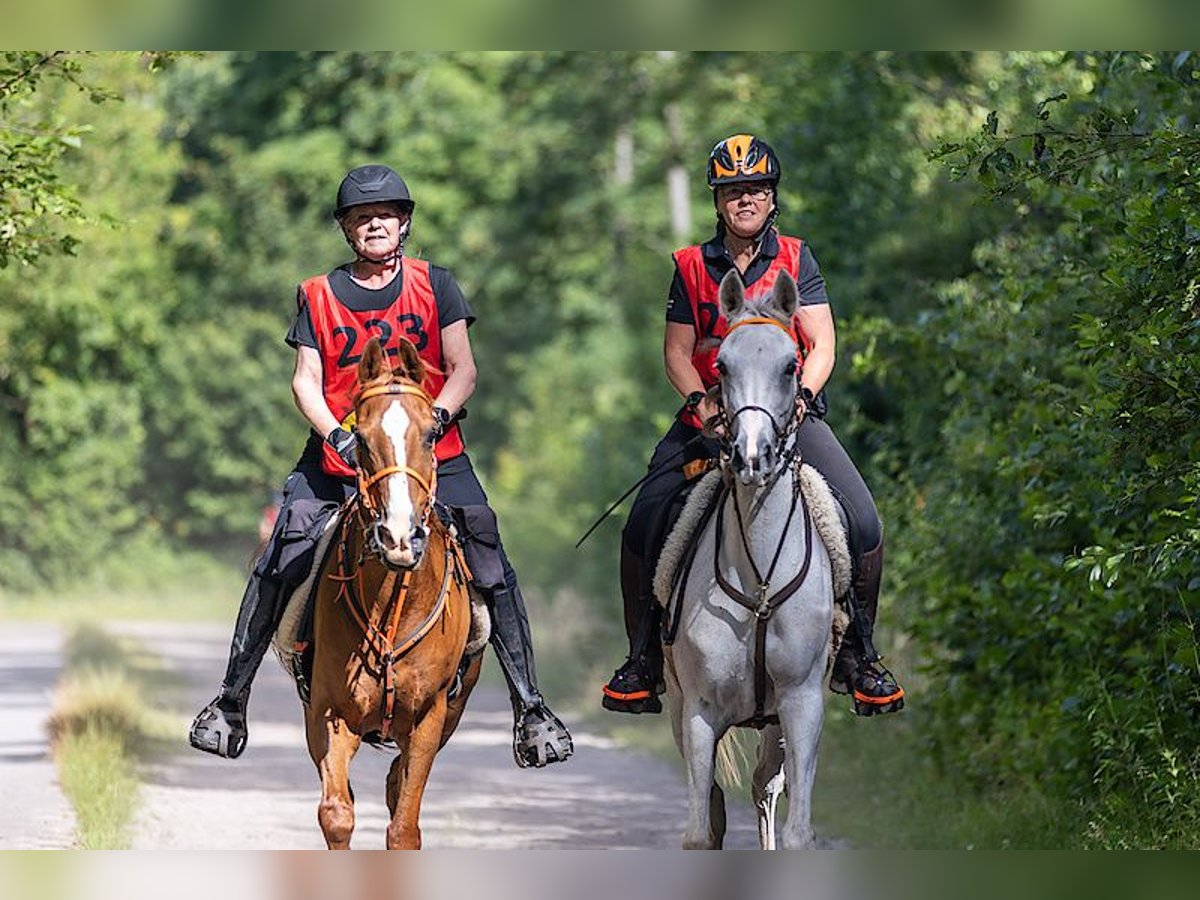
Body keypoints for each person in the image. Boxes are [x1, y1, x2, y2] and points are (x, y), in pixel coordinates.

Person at [189, 164, 574, 768]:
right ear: (347, 229)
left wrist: (439, 420)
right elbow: (306, 381)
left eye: (386, 215)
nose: (375, 224)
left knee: (488, 551)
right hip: (344, 454)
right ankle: (230, 701)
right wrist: (336, 436)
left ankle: (531, 708)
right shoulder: (317, 293)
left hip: (429, 452)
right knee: (281, 554)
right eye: (362, 217)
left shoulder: (436, 284)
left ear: (404, 223)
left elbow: (464, 369)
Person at [601, 134, 905, 717]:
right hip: (712, 414)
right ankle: (641, 659)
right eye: (733, 190)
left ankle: (859, 655)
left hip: (788, 411)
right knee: (643, 520)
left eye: (756, 189)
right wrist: (702, 403)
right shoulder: (692, 265)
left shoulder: (797, 257)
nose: (746, 199)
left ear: (772, 197)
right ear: (718, 200)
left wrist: (804, 397)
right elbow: (676, 350)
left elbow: (822, 342)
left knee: (863, 519)